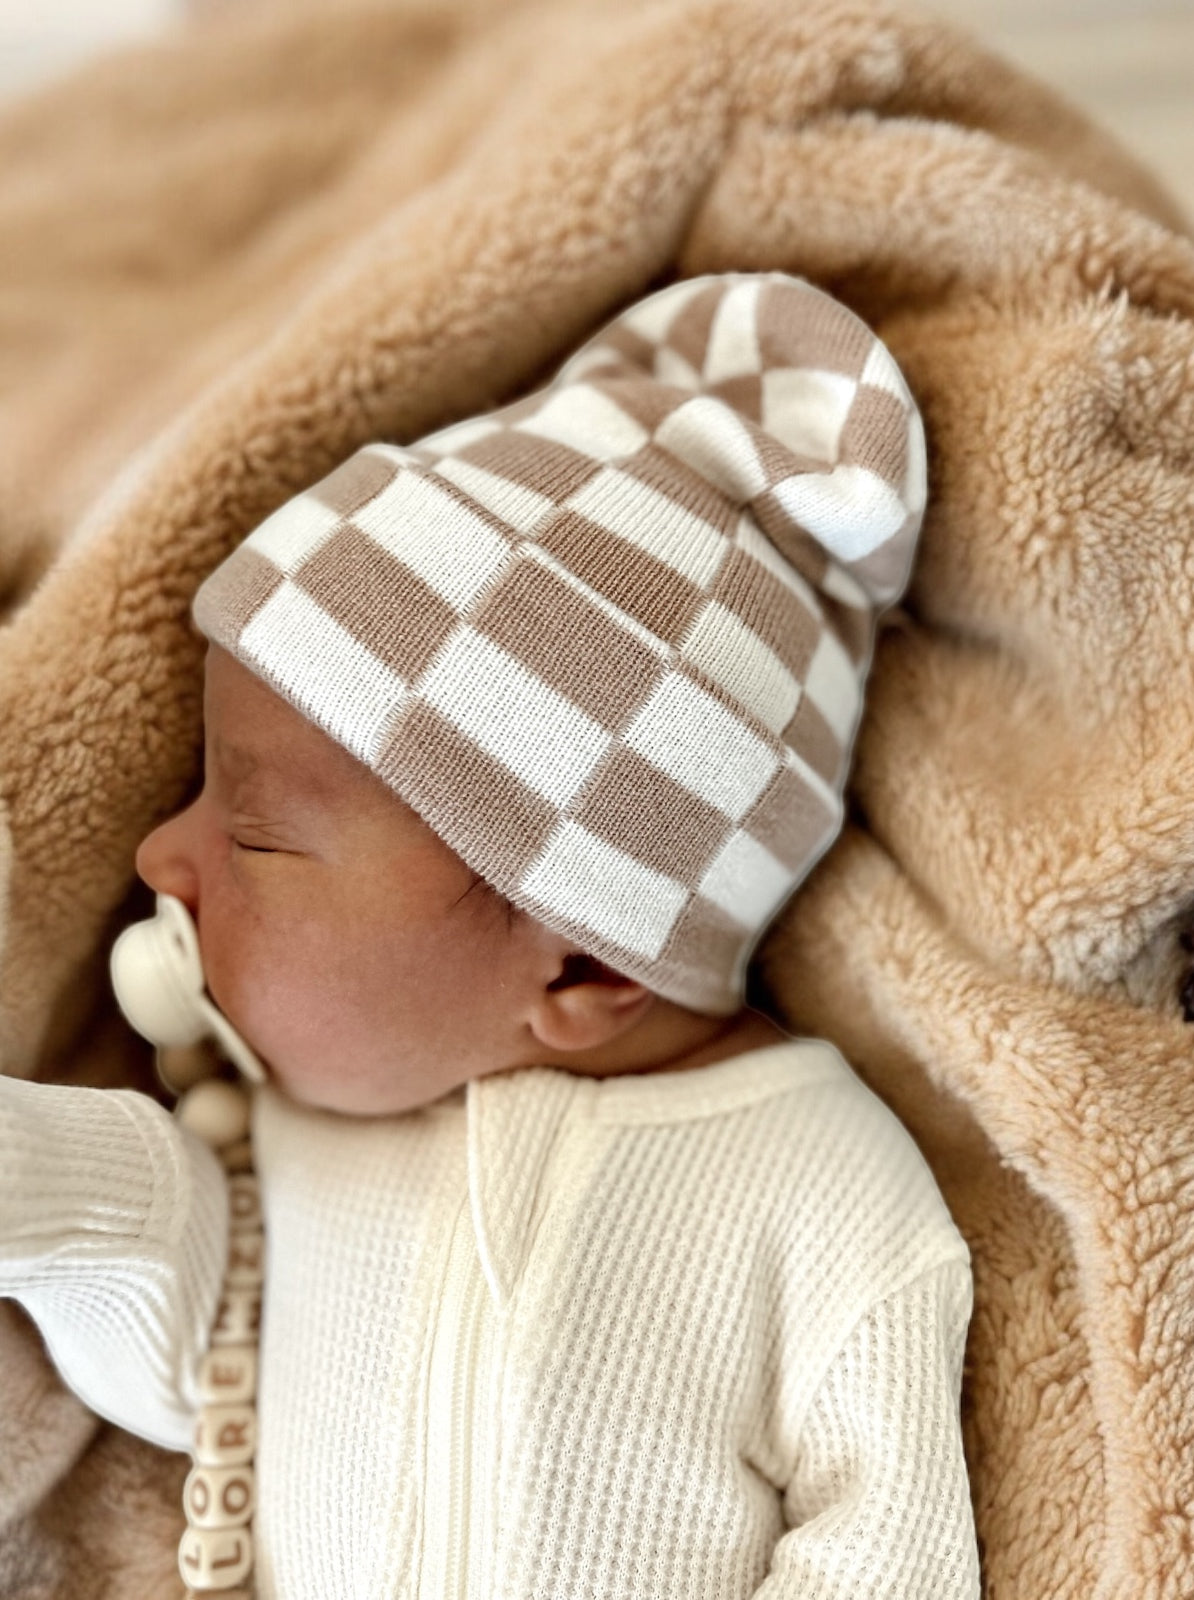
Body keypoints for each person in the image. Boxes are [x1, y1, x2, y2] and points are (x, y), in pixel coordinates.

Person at [0, 271, 980, 1597]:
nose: (159, 857)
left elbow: (890, 1546)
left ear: (580, 965)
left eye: (258, 829)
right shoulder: (308, 1139)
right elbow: (199, 1384)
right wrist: (65, 1183)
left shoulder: (814, 1192)